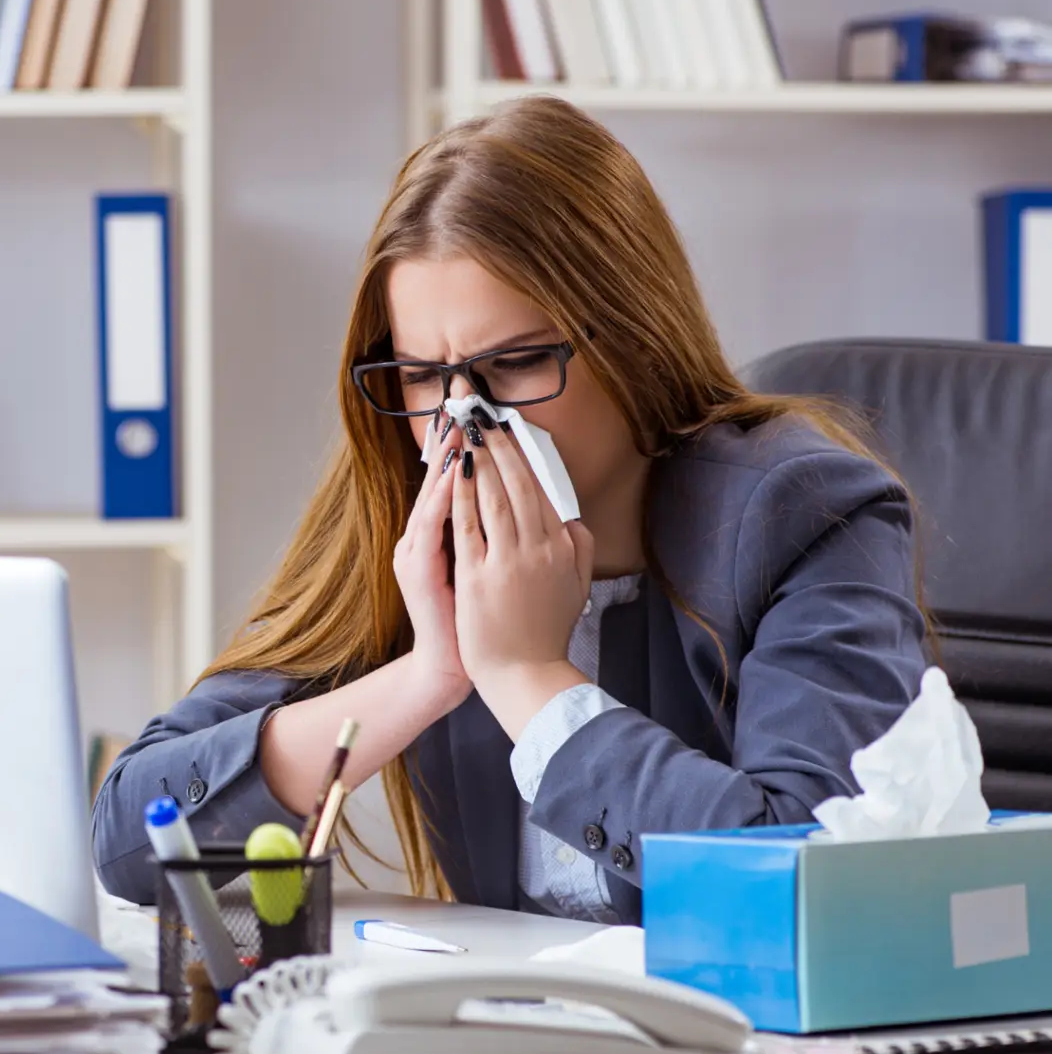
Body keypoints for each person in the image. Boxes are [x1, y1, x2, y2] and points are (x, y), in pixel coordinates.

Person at [92, 97, 927, 921]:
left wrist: (528, 678)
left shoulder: (806, 512)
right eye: (423, 376)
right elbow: (132, 836)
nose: (463, 418)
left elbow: (804, 885)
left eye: (517, 363)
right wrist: (429, 675)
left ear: (637, 340)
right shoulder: (405, 505)